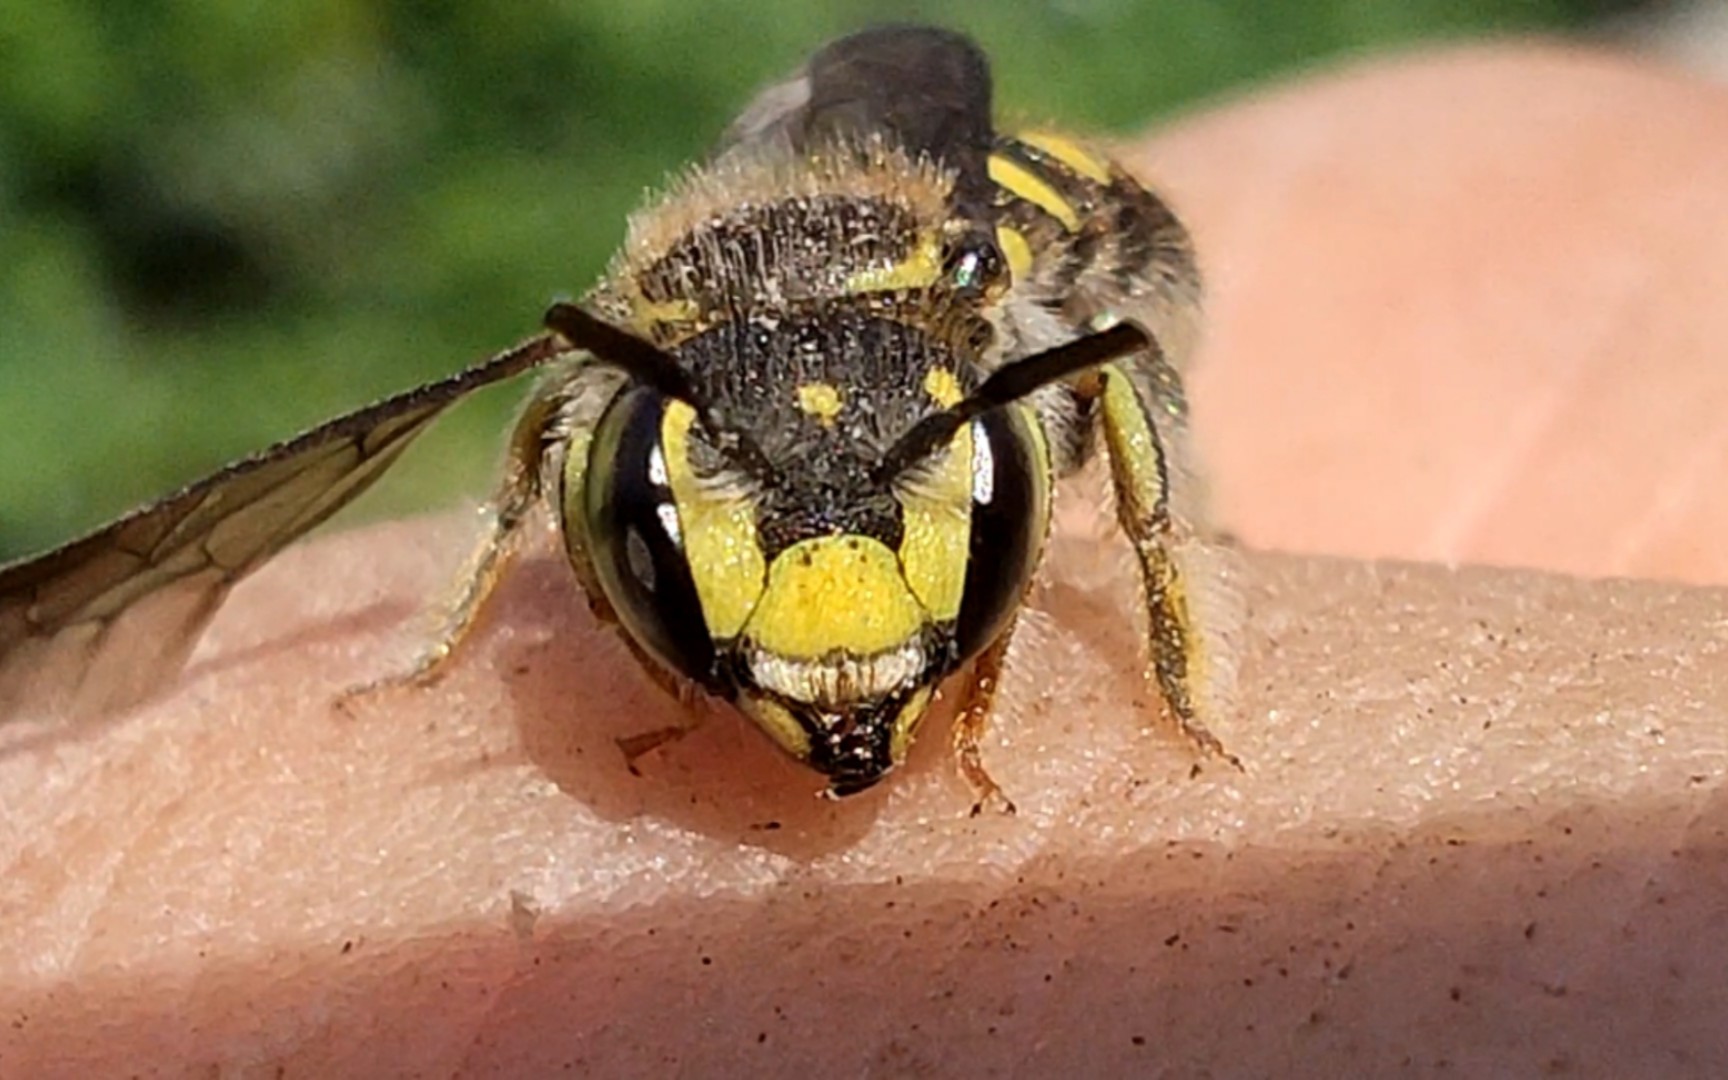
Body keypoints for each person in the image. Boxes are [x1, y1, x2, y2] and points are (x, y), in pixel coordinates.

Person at [4, 42, 1726, 1075]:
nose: (842, 671)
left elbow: (1097, 380)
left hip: (1075, 224)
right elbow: (549, 448)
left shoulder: (1002, 326)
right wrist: (453, 630)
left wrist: (1173, 595)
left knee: (1102, 362)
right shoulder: (615, 385)